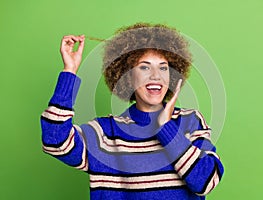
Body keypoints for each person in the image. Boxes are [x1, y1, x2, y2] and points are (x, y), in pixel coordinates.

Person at [40, 23, 224, 200]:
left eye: (163, 67)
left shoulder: (190, 121)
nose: (156, 75)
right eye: (144, 67)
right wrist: (69, 71)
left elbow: (205, 181)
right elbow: (55, 141)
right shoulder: (106, 132)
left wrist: (166, 128)